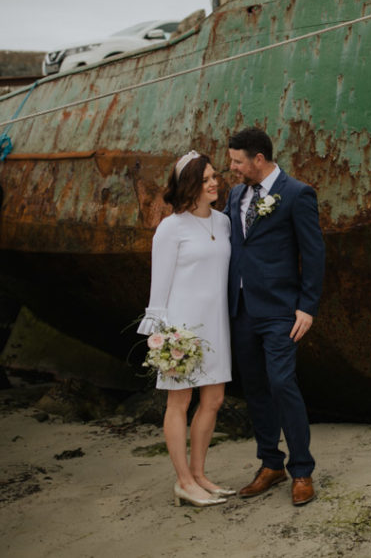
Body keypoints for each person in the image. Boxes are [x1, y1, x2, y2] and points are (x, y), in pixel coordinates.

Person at [224, 127, 325, 506]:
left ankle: (302, 470)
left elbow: (314, 254)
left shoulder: (297, 194)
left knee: (282, 383)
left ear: (259, 160)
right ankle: (270, 463)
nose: (232, 167)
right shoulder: (236, 195)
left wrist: (307, 307)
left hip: (282, 311)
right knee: (255, 389)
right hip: (242, 311)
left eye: (237, 161)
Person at [137, 150, 233, 508]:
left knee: (215, 399)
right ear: (190, 184)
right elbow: (158, 287)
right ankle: (183, 481)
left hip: (216, 323)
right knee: (181, 401)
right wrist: (160, 333)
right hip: (182, 327)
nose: (214, 182)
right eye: (206, 178)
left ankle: (200, 474)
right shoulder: (170, 228)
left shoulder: (222, 223)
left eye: (214, 176)